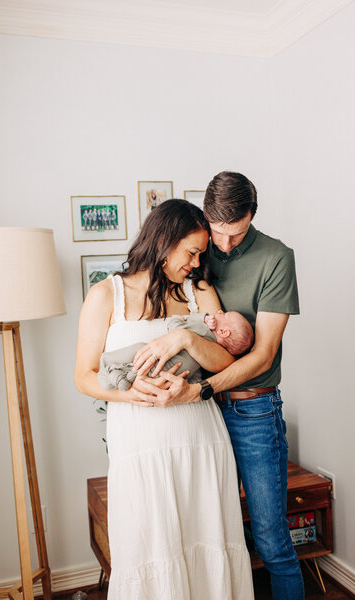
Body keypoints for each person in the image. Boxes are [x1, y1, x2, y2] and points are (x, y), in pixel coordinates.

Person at [132, 173, 304, 600]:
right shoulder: (194, 251)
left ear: (252, 217)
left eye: (237, 233)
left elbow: (262, 355)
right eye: (217, 233)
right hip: (193, 415)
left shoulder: (276, 257)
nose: (224, 245)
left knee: (271, 538)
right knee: (206, 531)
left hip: (251, 410)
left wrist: (204, 389)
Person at [75, 199, 254, 600]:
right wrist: (128, 392)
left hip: (199, 435)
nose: (196, 262)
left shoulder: (200, 292)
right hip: (141, 442)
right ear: (164, 241)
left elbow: (225, 360)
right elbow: (83, 377)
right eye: (191, 251)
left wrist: (187, 337)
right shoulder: (106, 296)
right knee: (149, 543)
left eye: (200, 254)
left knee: (206, 535)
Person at [97, 309, 253, 391]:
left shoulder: (204, 331)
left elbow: (174, 327)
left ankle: (111, 373)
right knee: (134, 370)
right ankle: (119, 377)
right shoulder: (210, 350)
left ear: (224, 332)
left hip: (159, 366)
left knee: (132, 353)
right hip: (167, 376)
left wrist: (199, 318)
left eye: (224, 314)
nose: (219, 312)